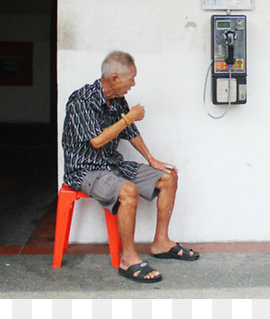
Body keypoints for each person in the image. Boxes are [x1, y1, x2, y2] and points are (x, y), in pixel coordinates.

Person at [61, 51, 199, 283]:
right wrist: (129, 117)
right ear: (114, 78)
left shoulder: (116, 100)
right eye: (131, 78)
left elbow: (130, 132)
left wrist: (151, 159)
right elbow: (96, 140)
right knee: (127, 191)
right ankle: (129, 259)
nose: (133, 84)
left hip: (112, 164)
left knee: (168, 177)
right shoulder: (82, 100)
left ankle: (161, 243)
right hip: (85, 170)